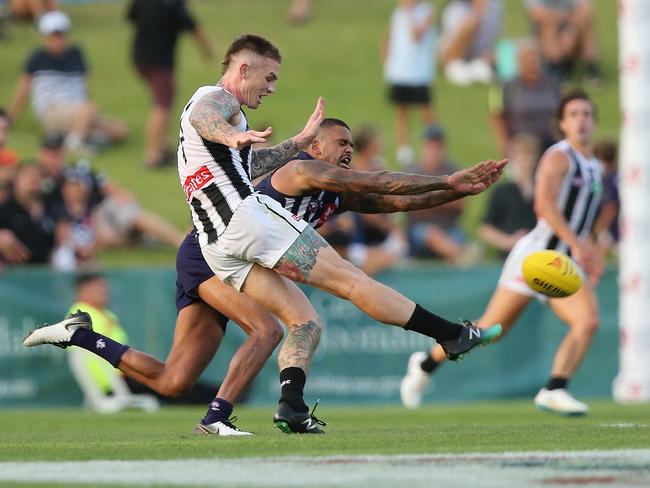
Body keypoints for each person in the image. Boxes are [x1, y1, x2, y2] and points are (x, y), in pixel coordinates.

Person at [25, 34, 505, 436]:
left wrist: (290, 142)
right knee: (348, 281)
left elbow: (371, 193)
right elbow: (204, 116)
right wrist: (448, 180)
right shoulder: (215, 102)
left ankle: (286, 405)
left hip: (219, 245)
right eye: (268, 76)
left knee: (299, 321)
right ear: (242, 68)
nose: (271, 86)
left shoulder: (236, 132)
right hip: (244, 223)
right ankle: (450, 334)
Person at [400, 89, 604, 415]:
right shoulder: (559, 157)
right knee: (487, 333)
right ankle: (426, 363)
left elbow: (583, 219)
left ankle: (554, 389)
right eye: (574, 114)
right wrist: (578, 243)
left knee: (588, 321)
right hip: (538, 257)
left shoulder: (594, 165)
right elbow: (544, 205)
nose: (581, 120)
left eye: (586, 114)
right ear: (562, 123)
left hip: (564, 260)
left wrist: (591, 248)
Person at [7, 11, 128, 154]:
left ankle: (71, 135)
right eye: (53, 35)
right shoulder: (37, 58)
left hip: (77, 111)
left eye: (60, 35)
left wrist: (88, 114)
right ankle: (74, 143)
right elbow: (22, 90)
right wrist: (10, 119)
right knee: (88, 109)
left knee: (119, 130)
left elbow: (85, 86)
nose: (57, 40)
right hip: (51, 110)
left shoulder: (76, 54)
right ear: (44, 37)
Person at [127, 0, 213, 168]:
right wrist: (206, 48)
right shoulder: (175, 4)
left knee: (163, 101)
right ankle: (152, 155)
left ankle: (163, 146)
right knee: (162, 106)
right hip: (160, 62)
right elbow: (192, 27)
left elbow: (132, 17)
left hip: (139, 59)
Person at [66, 273, 160, 413]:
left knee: (178, 384)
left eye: (104, 286)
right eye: (98, 287)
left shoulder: (107, 315)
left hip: (127, 373)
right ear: (83, 290)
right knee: (177, 386)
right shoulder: (79, 316)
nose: (104, 291)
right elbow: (87, 356)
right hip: (114, 381)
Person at [406, 124, 479, 264]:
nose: (435, 149)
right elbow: (411, 207)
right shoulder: (412, 171)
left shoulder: (453, 170)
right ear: (424, 146)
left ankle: (457, 256)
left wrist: (428, 199)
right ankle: (461, 255)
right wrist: (445, 198)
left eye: (438, 145)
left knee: (456, 238)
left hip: (449, 228)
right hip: (421, 230)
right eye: (431, 145)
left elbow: (460, 205)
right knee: (431, 233)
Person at [382, 0, 437, 166]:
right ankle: (404, 150)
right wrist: (387, 62)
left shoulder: (427, 11)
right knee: (401, 111)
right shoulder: (398, 13)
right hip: (400, 72)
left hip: (419, 72)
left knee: (426, 112)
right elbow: (389, 37)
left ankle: (434, 144)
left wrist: (409, 13)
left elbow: (416, 35)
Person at [488, 39, 561, 157]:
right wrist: (505, 144)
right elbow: (497, 116)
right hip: (523, 145)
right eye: (528, 57)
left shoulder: (553, 83)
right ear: (519, 61)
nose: (533, 61)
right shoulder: (507, 87)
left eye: (535, 57)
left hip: (552, 142)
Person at [477, 133, 538, 259]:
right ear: (513, 158)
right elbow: (485, 228)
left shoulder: (543, 190)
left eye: (529, 154)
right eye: (521, 154)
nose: (525, 160)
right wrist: (508, 242)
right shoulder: (502, 192)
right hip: (510, 257)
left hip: (540, 254)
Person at [525, 0, 601, 83]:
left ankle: (590, 67)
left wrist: (570, 30)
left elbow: (586, 12)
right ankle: (555, 67)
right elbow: (538, 15)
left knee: (585, 24)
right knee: (549, 25)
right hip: (544, 35)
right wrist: (566, 17)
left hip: (570, 30)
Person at [0, 162, 56, 265]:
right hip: (11, 276)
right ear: (16, 181)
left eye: (38, 175)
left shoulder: (50, 210)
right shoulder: (5, 209)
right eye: (27, 175)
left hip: (45, 275)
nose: (33, 179)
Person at [438, 0, 503, 86]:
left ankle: (476, 68)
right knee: (471, 24)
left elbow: (490, 40)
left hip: (481, 56)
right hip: (455, 57)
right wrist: (478, 11)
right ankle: (462, 69)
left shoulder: (494, 5)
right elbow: (446, 55)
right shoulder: (456, 10)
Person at [592, 139, 618, 254]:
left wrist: (599, 229)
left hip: (612, 230)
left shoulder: (609, 179)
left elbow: (610, 207)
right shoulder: (601, 178)